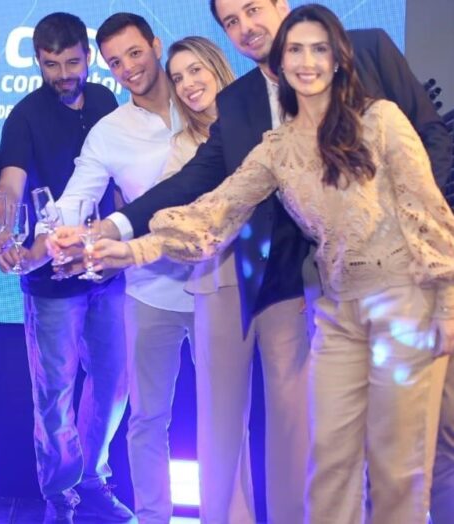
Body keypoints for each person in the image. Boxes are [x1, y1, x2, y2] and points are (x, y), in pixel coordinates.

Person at [53, 1, 452, 521]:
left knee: (419, 457)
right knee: (332, 462)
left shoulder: (379, 104)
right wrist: (125, 243)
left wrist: (443, 301)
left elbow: (431, 193)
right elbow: (212, 208)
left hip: (408, 294)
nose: (246, 29)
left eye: (253, 10)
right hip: (336, 309)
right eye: (232, 22)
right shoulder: (272, 142)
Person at [0, 12, 129, 524]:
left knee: (113, 384)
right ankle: (61, 493)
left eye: (71, 63)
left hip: (106, 268)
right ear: (38, 61)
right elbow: (10, 184)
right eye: (51, 65)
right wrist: (3, 229)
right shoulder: (24, 116)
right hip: (48, 274)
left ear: (87, 57)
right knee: (55, 393)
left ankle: (93, 480)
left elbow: (117, 181)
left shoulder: (107, 101)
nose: (63, 74)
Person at [49, 13, 193, 523]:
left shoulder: (201, 99)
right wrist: (50, 232)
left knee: (226, 417)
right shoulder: (109, 132)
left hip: (220, 284)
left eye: (135, 53)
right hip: (150, 289)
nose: (128, 68)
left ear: (156, 45)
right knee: (147, 419)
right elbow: (75, 198)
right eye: (115, 62)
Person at [160, 36, 252, 523]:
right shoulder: (181, 149)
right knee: (221, 419)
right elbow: (181, 218)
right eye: (178, 77)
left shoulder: (262, 119)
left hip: (286, 283)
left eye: (196, 70)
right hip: (217, 282)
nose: (189, 84)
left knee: (298, 413)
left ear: (218, 67)